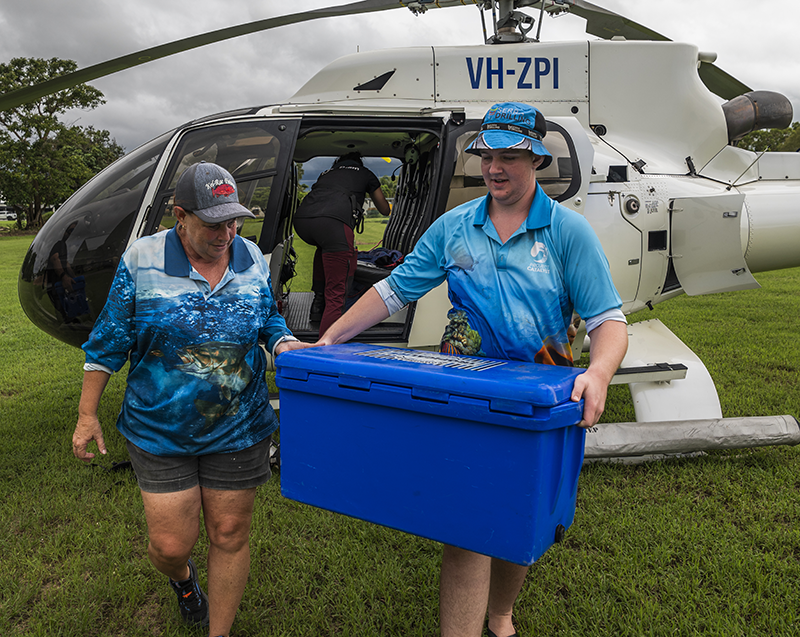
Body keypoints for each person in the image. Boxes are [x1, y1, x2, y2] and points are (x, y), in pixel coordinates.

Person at [315, 103, 629, 637]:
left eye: (510, 155)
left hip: (539, 404)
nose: (495, 167)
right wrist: (326, 341)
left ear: (535, 157)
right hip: (466, 398)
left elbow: (607, 320)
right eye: (488, 154)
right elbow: (392, 291)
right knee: (464, 528)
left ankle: (501, 615)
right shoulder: (454, 226)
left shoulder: (566, 232)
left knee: (522, 522)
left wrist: (598, 374)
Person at [71, 161, 309, 637]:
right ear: (180, 216)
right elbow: (110, 339)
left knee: (229, 534)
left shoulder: (252, 258)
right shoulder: (143, 259)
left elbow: (268, 320)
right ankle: (183, 580)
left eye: (234, 220)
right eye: (213, 222)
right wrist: (86, 414)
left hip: (239, 425)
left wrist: (283, 344)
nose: (227, 232)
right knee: (170, 546)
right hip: (159, 429)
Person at [293, 152, 391, 335]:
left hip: (302, 221)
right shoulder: (365, 173)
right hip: (334, 224)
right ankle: (325, 348)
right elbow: (384, 209)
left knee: (324, 248)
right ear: (358, 162)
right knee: (337, 295)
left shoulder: (326, 173)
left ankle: (317, 306)